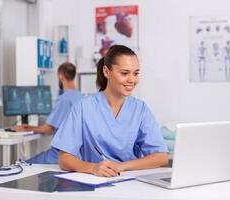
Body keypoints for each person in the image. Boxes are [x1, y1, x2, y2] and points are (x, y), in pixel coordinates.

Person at [51, 45, 169, 177]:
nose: (132, 80)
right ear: (106, 72)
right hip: (94, 181)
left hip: (131, 183)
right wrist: (93, 168)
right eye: (124, 73)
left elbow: (161, 157)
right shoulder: (83, 107)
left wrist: (122, 166)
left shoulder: (140, 109)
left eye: (135, 73)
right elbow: (64, 158)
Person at [12, 62, 82, 164]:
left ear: (60, 76)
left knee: (23, 164)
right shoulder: (80, 96)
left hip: (60, 154)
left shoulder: (64, 99)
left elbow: (48, 129)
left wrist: (26, 127)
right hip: (77, 153)